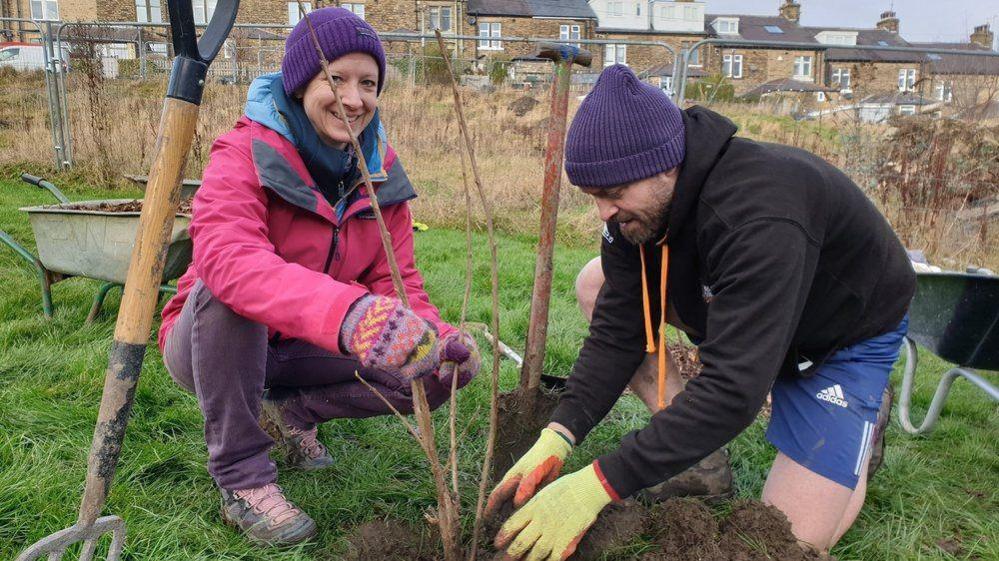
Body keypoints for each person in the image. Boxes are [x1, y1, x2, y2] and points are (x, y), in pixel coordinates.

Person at [487, 64, 914, 560]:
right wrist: (561, 432)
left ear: (667, 165)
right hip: (737, 299)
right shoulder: (639, 212)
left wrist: (600, 483)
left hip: (838, 337)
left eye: (613, 194)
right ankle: (695, 451)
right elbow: (620, 328)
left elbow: (734, 389)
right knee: (596, 283)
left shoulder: (760, 215)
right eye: (592, 196)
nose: (602, 211)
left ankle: (858, 418)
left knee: (784, 541)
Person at [158, 8, 480, 547]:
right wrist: (348, 315)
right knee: (228, 284)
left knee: (437, 370)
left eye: (368, 83)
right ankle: (242, 477)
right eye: (336, 79)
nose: (353, 99)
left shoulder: (379, 173)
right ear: (301, 81)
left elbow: (398, 281)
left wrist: (434, 334)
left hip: (304, 347)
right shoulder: (244, 152)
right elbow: (228, 258)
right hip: (210, 343)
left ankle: (293, 415)